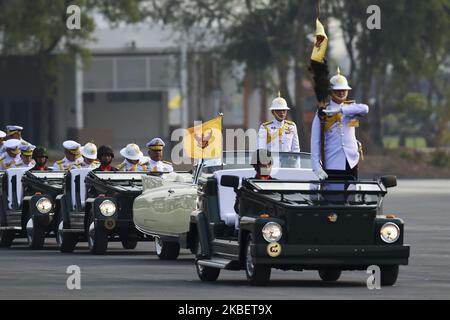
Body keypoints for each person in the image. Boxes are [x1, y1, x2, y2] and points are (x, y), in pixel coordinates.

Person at [311, 67, 369, 181]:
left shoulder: (351, 108)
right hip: (332, 161)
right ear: (331, 92)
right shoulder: (322, 112)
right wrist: (316, 167)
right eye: (338, 90)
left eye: (344, 90)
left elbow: (365, 109)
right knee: (333, 196)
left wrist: (341, 110)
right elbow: (315, 142)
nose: (341, 92)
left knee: (351, 196)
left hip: (351, 160)